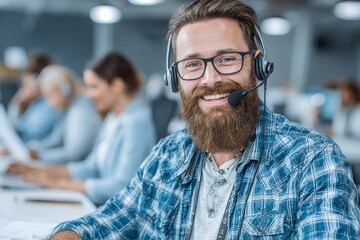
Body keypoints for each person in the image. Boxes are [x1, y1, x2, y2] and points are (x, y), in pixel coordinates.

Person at [48, 0, 360, 239]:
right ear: (176, 80)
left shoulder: (313, 161)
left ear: (259, 68)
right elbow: (107, 221)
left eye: (227, 59)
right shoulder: (167, 156)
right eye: (193, 64)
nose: (210, 79)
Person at [7, 52, 156, 205]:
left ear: (117, 85)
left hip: (118, 211)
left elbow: (122, 185)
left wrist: (58, 183)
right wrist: (39, 171)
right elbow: (92, 166)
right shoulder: (114, 116)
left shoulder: (136, 121)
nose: (88, 94)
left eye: (94, 87)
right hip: (102, 203)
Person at [26, 64, 101, 163]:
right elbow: (56, 140)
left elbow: (73, 154)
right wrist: (34, 149)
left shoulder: (80, 112)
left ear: (66, 91)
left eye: (50, 95)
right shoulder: (68, 109)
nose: (49, 102)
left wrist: (39, 156)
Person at [7, 52, 60, 142]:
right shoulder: (35, 103)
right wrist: (16, 106)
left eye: (26, 85)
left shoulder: (51, 104)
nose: (24, 89)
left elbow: (30, 134)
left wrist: (16, 105)